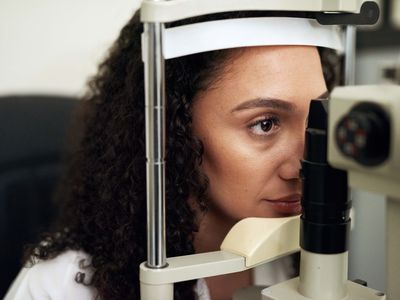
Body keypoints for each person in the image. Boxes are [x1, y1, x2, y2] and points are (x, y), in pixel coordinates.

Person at [5, 9, 340, 300]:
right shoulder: (66, 286)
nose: (302, 166)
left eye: (316, 122)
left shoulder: (296, 258)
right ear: (171, 126)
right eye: (265, 124)